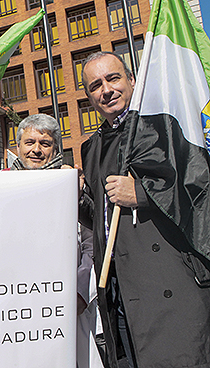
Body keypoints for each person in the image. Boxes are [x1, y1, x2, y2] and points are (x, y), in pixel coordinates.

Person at [80, 51, 210, 367]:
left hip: (169, 284)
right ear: (89, 98)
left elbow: (200, 186)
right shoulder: (91, 146)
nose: (106, 90)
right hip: (120, 293)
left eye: (113, 78)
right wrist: (76, 199)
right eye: (95, 85)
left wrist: (142, 193)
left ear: (132, 81)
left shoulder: (166, 125)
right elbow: (103, 214)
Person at [10, 114, 104, 368]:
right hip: (17, 305)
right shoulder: (1, 184)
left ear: (56, 149)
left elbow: (90, 244)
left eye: (45, 143)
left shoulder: (73, 183)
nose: (36, 150)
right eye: (29, 142)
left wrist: (80, 293)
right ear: (18, 146)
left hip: (67, 304)